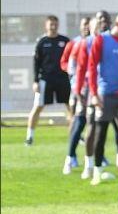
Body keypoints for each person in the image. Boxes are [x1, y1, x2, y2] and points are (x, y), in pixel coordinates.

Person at [86, 12, 118, 185]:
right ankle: (97, 169)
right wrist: (94, 93)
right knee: (101, 131)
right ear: (117, 24)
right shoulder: (102, 40)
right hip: (106, 93)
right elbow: (91, 67)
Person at [74, 11, 110, 179]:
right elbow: (81, 67)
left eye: (105, 20)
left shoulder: (111, 40)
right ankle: (88, 164)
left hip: (110, 89)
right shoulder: (87, 43)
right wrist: (79, 89)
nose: (102, 24)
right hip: (91, 89)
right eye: (98, 21)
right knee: (91, 126)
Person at [27, 15, 70, 146]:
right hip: (46, 80)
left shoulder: (65, 41)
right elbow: (36, 62)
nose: (53, 26)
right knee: (38, 107)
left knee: (71, 107)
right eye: (51, 24)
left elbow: (71, 60)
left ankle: (76, 134)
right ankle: (29, 136)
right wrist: (35, 81)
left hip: (63, 79)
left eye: (55, 24)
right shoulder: (41, 42)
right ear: (46, 25)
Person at [60, 17, 91, 173]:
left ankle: (96, 157)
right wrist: (76, 81)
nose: (87, 27)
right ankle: (71, 157)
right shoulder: (75, 43)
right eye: (84, 25)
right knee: (78, 121)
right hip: (80, 88)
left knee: (98, 126)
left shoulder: (97, 42)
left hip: (96, 89)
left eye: (89, 25)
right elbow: (66, 63)